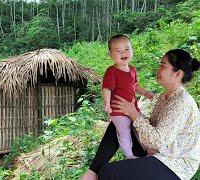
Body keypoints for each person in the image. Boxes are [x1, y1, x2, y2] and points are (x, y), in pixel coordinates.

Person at [81, 49, 200, 180]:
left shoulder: (181, 102)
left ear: (178, 74)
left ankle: (95, 173)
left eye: (163, 65)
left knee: (109, 173)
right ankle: (92, 171)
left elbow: (158, 141)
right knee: (120, 122)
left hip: (175, 163)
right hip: (157, 151)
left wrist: (133, 113)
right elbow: (155, 131)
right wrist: (131, 114)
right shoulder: (165, 96)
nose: (158, 69)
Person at [102, 34, 153, 159]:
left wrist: (145, 93)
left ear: (132, 50)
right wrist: (107, 104)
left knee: (140, 127)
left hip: (133, 108)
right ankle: (129, 155)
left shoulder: (132, 69)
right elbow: (106, 88)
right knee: (124, 132)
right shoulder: (111, 71)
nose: (123, 53)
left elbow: (135, 85)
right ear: (111, 55)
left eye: (127, 49)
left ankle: (148, 149)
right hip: (118, 111)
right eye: (118, 51)